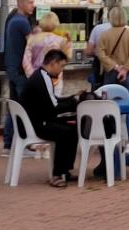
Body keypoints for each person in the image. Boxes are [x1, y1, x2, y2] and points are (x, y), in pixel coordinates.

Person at [19, 49, 82, 187]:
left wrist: (71, 100)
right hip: (37, 124)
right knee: (65, 132)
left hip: (37, 119)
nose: (61, 70)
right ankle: (56, 174)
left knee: (73, 128)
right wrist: (73, 103)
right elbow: (53, 107)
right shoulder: (43, 78)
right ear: (54, 63)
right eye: (62, 66)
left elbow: (53, 101)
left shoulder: (41, 76)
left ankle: (65, 170)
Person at [1, 0, 36, 155]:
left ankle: (8, 145)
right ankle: (25, 143)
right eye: (30, 2)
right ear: (21, 3)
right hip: (20, 71)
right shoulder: (22, 22)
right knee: (25, 107)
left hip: (12, 68)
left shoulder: (13, 19)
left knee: (15, 106)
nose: (33, 5)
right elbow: (33, 44)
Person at [96, 5, 129, 100]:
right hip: (128, 74)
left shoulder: (104, 35)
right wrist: (125, 69)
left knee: (109, 103)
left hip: (110, 72)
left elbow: (101, 54)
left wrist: (115, 66)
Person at [23, 12, 73, 78]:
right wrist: (69, 41)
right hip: (54, 78)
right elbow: (68, 57)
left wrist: (32, 76)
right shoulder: (60, 40)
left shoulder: (32, 39)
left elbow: (25, 61)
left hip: (36, 76)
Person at [86, 9, 112, 88]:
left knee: (98, 90)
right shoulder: (128, 30)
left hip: (100, 64)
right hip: (121, 66)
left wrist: (99, 53)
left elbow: (89, 51)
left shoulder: (98, 28)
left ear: (108, 16)